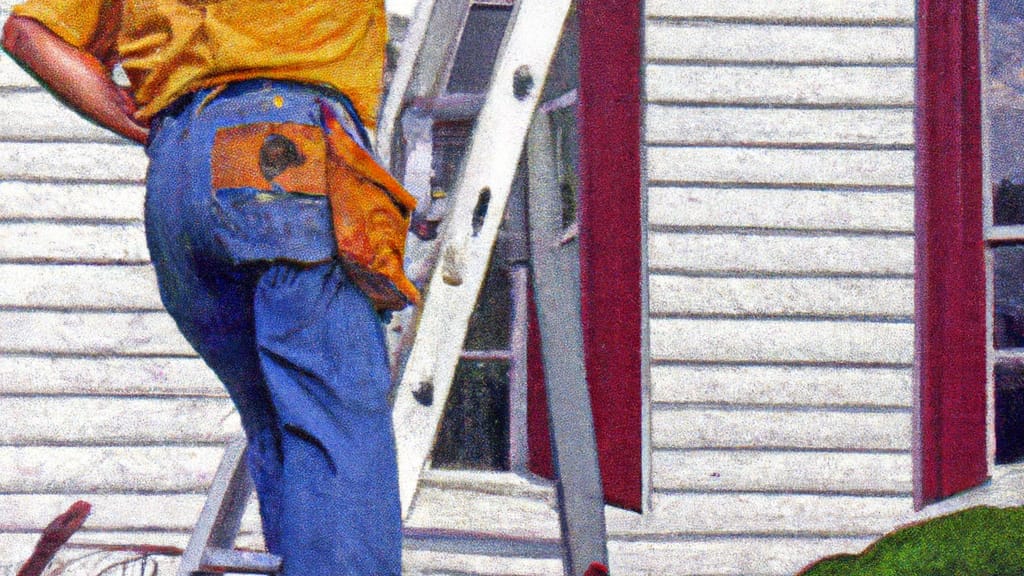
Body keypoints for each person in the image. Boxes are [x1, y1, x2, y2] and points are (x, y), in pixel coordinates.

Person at [2, 2, 418, 575]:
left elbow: (26, 33)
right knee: (331, 431)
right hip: (282, 149)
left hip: (178, 172)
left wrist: (125, 116)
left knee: (277, 425)